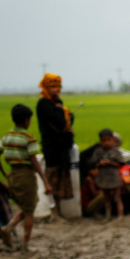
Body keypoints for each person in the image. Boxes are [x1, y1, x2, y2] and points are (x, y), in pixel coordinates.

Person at [0, 103, 48, 252]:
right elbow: (34, 161)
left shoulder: (6, 136)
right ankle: (25, 245)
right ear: (27, 120)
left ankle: (9, 227)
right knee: (30, 212)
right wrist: (45, 181)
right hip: (26, 176)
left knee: (26, 207)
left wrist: (4, 173)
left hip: (13, 175)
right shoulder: (28, 137)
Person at [36, 73, 75, 222]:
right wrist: (59, 105)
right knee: (52, 180)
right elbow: (60, 122)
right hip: (52, 148)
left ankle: (58, 210)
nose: (56, 89)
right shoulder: (44, 104)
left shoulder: (57, 104)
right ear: (45, 87)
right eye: (52, 86)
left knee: (61, 179)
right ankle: (54, 212)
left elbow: (68, 121)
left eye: (57, 86)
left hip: (63, 147)